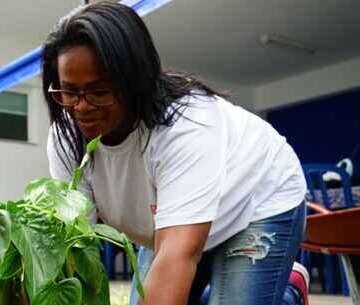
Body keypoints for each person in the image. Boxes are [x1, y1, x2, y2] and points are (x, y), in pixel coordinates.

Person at [43, 3, 309, 305]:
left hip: (256, 201)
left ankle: (286, 294)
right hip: (172, 223)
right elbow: (79, 246)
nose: (81, 107)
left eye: (99, 91)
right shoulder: (67, 136)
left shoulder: (184, 125)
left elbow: (177, 255)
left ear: (134, 82)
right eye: (69, 91)